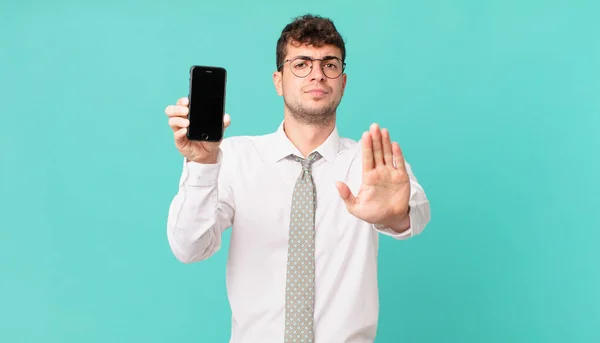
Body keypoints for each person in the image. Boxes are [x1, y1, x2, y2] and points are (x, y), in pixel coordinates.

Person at [164, 14, 431, 343]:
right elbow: (189, 247)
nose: (317, 74)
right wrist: (202, 164)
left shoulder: (371, 161)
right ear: (278, 80)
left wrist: (396, 214)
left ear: (343, 82)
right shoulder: (233, 158)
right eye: (302, 63)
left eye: (329, 64)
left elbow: (416, 211)